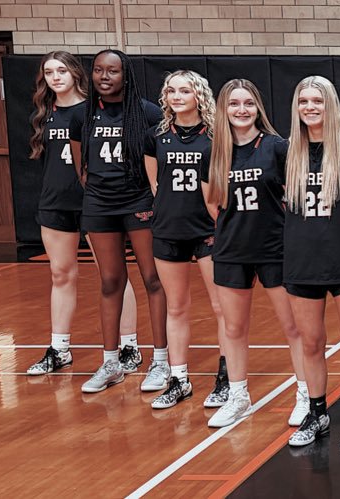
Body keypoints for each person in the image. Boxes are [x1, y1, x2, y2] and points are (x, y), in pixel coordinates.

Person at [279, 76, 340, 451]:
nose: (310, 107)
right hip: (301, 262)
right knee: (311, 343)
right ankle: (317, 413)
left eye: (317, 101)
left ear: (330, 105)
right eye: (303, 100)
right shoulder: (286, 151)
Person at [24, 51, 140, 377]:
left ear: (76, 73)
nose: (55, 77)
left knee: (112, 275)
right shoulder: (44, 114)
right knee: (61, 275)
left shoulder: (94, 110)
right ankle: (59, 349)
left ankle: (129, 345)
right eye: (48, 72)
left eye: (61, 70)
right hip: (54, 204)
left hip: (95, 203)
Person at [202, 79, 307, 428]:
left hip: (275, 248)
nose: (241, 110)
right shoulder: (214, 151)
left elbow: (294, 195)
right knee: (234, 328)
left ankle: (306, 394)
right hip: (231, 250)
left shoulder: (277, 147)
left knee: (293, 326)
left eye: (248, 103)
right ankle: (238, 396)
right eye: (234, 104)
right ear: (224, 109)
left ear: (258, 107)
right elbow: (212, 204)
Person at [71, 49, 168, 394]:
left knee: (153, 279)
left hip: (139, 201)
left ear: (125, 75)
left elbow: (158, 159)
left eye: (112, 71)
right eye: (98, 70)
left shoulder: (147, 113)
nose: (104, 77)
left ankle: (161, 360)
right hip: (99, 204)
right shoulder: (83, 115)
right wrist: (99, 194)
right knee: (110, 281)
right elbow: (81, 165)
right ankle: (111, 362)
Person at [142, 69, 224, 409]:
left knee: (222, 308)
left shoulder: (217, 137)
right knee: (176, 308)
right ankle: (179, 378)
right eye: (171, 91)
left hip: (207, 230)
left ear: (198, 96)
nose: (177, 97)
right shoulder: (155, 137)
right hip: (168, 230)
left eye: (184, 91)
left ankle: (227, 376)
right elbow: (155, 184)